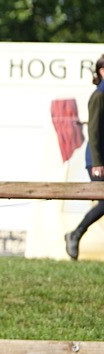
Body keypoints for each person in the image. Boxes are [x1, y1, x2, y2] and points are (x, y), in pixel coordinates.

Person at [66, 54, 104, 260]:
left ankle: (76, 233)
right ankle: (76, 233)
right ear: (102, 71)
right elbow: (95, 131)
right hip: (99, 161)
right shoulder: (99, 96)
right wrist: (98, 163)